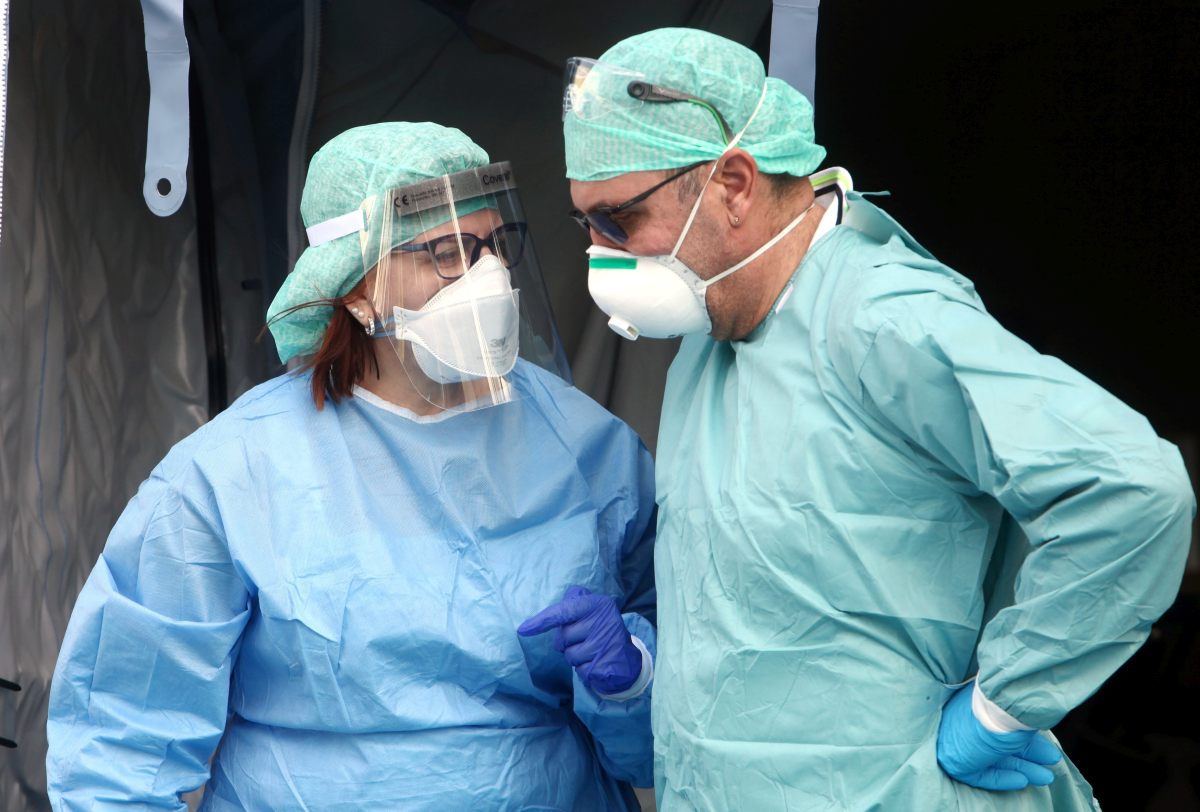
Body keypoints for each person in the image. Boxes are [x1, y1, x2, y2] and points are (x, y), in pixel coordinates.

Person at [561, 27, 1196, 810]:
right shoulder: (708, 339)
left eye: (618, 221)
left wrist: (1003, 707)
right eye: (584, 225)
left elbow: (1132, 489)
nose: (600, 255)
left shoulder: (882, 319)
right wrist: (642, 675)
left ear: (733, 182)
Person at [45, 122, 657, 811]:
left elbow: (685, 737)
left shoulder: (584, 447)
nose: (488, 277)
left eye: (494, 245)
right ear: (356, 290)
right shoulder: (233, 473)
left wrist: (634, 678)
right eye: (448, 252)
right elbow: (119, 744)